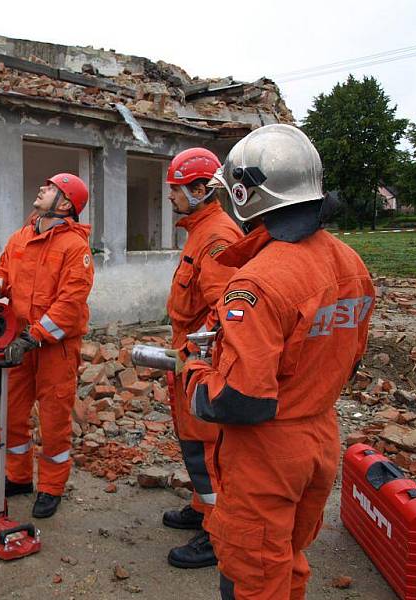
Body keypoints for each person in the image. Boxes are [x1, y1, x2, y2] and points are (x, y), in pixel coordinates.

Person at [181, 124, 374, 599]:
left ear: (248, 196)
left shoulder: (258, 283)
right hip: (319, 437)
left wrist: (194, 370)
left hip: (267, 453)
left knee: (252, 575)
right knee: (287, 560)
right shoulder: (351, 264)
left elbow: (242, 401)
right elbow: (348, 363)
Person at [0, 173, 94, 519]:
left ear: (66, 203)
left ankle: (51, 487)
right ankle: (18, 477)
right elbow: (3, 270)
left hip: (55, 347)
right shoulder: (21, 237)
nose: (42, 189)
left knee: (54, 418)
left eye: (51, 187)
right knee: (12, 412)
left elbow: (69, 305)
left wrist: (33, 337)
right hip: (19, 343)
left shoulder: (75, 248)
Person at [162, 148, 244, 569]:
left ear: (199, 189)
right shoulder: (200, 229)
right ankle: (200, 506)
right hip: (186, 353)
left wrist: (195, 354)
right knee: (192, 440)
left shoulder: (216, 236)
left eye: (176, 190)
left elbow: (224, 309)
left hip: (199, 358)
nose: (171, 197)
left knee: (207, 446)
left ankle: (217, 533)